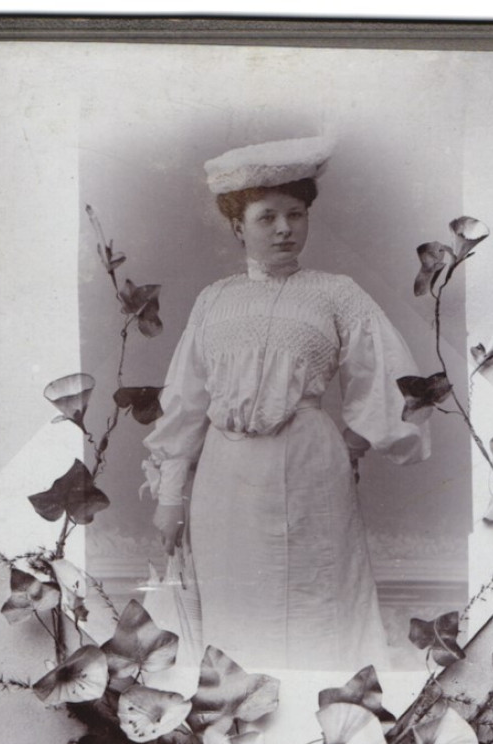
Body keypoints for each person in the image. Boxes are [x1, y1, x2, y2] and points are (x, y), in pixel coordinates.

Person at [142, 136, 431, 672]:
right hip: (225, 481)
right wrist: (169, 498)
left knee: (317, 601)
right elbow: (184, 405)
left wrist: (354, 437)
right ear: (237, 225)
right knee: (236, 609)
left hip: (310, 469)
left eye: (295, 215)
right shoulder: (215, 300)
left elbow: (392, 375)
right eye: (266, 216)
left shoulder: (335, 293)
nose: (283, 229)